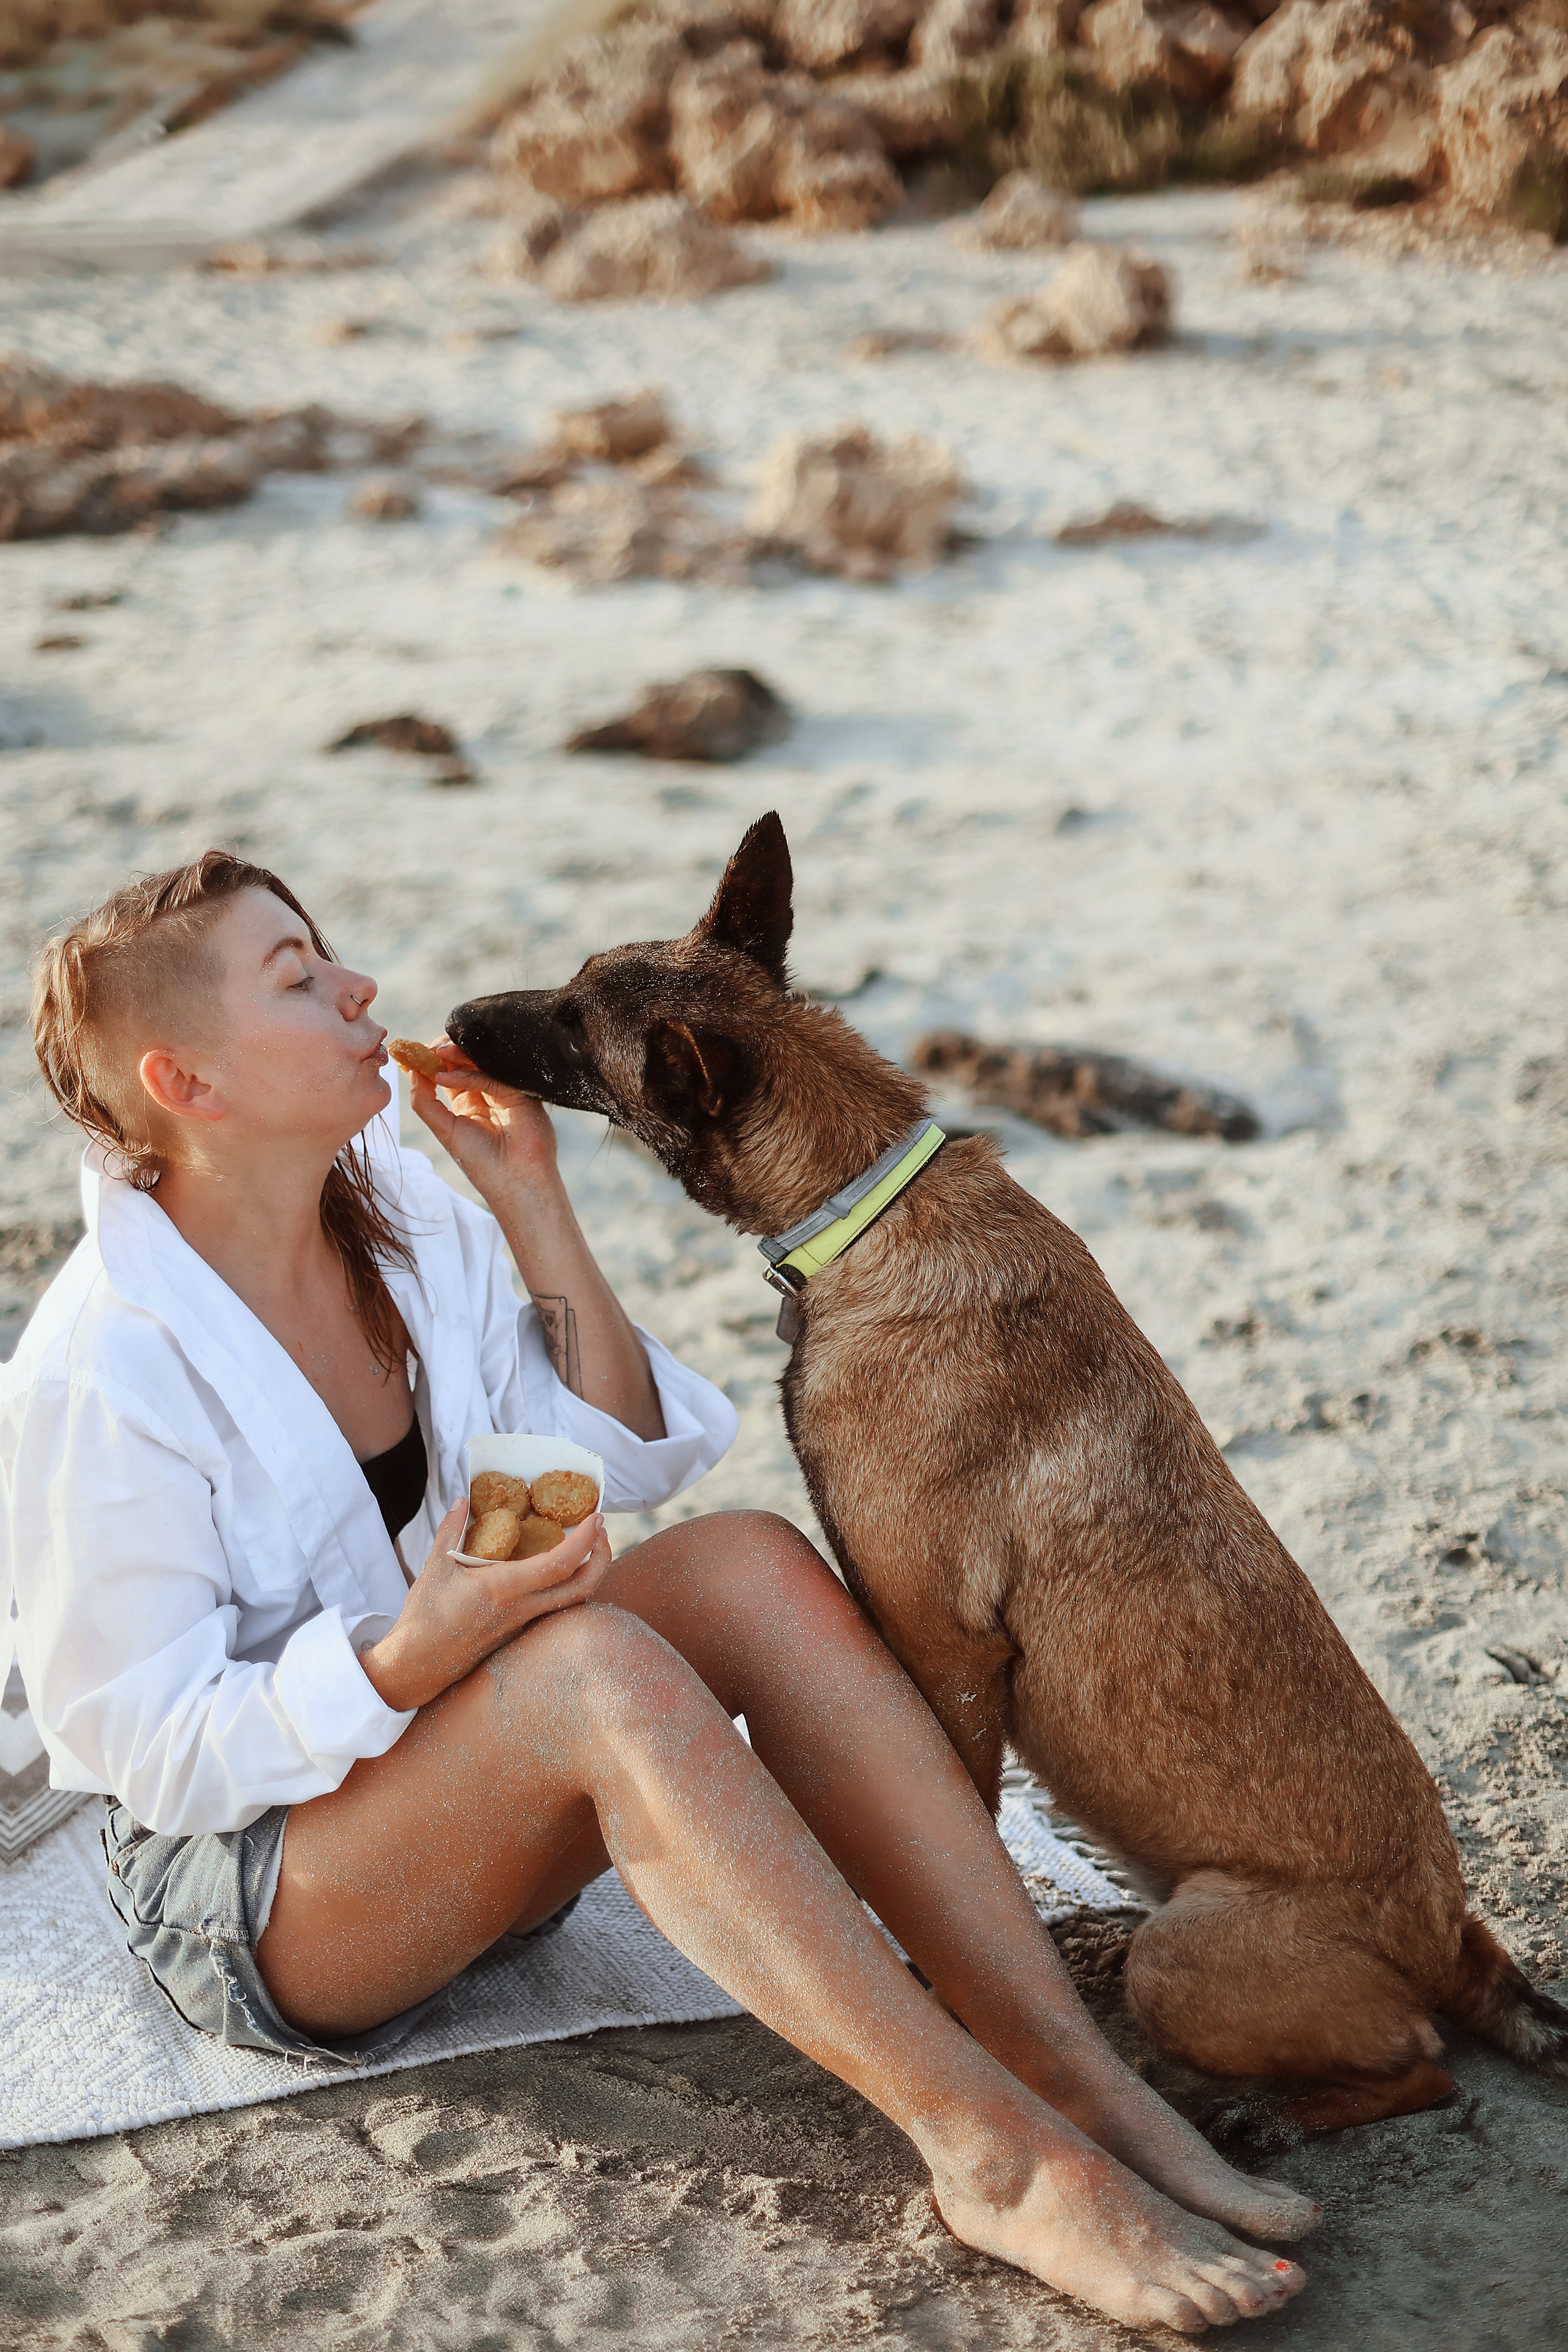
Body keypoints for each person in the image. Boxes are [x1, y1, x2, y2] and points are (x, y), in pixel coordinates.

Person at [3, 853, 1316, 2337]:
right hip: (253, 1898)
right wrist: (405, 1658)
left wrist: (531, 1205)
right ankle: (994, 2159)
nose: (361, 987)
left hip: (443, 1787)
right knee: (597, 1677)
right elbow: (138, 1744)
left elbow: (600, 1459)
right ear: (189, 1081)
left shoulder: (395, 1210)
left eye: (329, 955)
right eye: (296, 978)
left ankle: (1061, 2064)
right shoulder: (100, 1368)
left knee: (746, 1558)